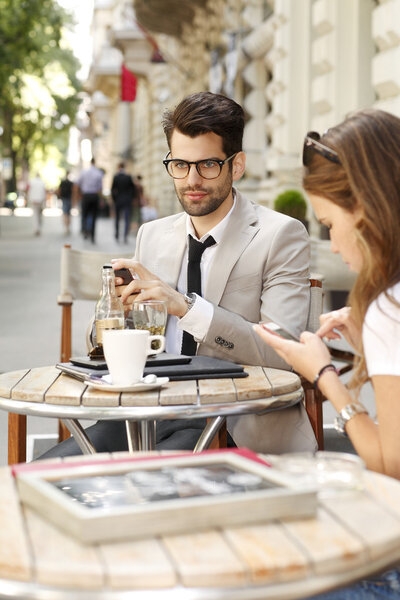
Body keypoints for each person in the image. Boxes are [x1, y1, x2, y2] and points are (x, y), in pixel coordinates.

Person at [40, 91, 315, 459]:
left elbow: (284, 353)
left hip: (231, 420)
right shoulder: (152, 235)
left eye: (208, 165)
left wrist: (186, 308)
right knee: (45, 472)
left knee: (142, 485)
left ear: (237, 166)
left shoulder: (281, 235)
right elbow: (109, 340)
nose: (191, 180)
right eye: (180, 165)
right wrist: (114, 314)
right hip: (145, 412)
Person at [254, 109, 400, 599]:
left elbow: (388, 465)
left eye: (328, 224)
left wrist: (323, 376)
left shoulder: (390, 309)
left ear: (361, 207)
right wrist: (368, 347)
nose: (331, 244)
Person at [76, 158, 103, 243]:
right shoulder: (99, 173)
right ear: (95, 162)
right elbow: (100, 188)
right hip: (94, 196)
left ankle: (85, 232)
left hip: (86, 196)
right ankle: (93, 236)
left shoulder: (84, 172)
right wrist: (101, 199)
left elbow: (78, 184)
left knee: (85, 215)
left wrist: (79, 195)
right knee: (94, 217)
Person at [111, 162, 137, 243]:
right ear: (124, 167)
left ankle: (117, 235)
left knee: (117, 218)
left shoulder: (116, 177)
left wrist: (115, 199)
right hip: (127, 200)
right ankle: (125, 236)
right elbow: (133, 189)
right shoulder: (128, 177)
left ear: (118, 167)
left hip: (118, 200)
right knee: (126, 218)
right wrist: (130, 197)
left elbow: (112, 189)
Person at [57, 171, 73, 235]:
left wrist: (59, 197)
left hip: (64, 199)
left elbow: (59, 190)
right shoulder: (71, 183)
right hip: (69, 199)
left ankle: (67, 227)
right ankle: (68, 227)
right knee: (68, 214)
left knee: (65, 213)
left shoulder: (62, 182)